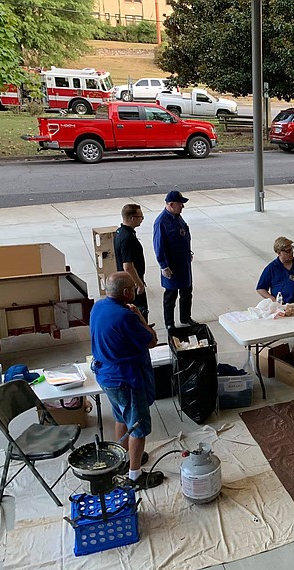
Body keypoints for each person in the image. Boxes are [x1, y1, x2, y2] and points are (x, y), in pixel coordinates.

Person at [90, 272, 163, 490]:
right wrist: (140, 316)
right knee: (138, 427)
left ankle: (124, 460)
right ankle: (134, 476)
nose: (136, 291)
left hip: (106, 376)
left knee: (121, 416)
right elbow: (151, 340)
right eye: (133, 287)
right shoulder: (126, 317)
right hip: (126, 379)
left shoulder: (98, 307)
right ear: (126, 292)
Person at [153, 190, 197, 329]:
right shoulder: (161, 222)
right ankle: (169, 323)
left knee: (186, 292)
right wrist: (163, 265)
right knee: (171, 295)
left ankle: (185, 317)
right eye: (180, 204)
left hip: (183, 264)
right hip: (171, 266)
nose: (182, 207)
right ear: (171, 204)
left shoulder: (178, 217)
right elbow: (159, 245)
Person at [114, 203, 148, 320]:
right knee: (140, 314)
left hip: (127, 282)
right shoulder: (128, 238)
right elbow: (128, 266)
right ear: (132, 218)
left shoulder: (119, 232)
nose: (142, 219)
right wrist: (139, 284)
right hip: (132, 284)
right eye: (141, 217)